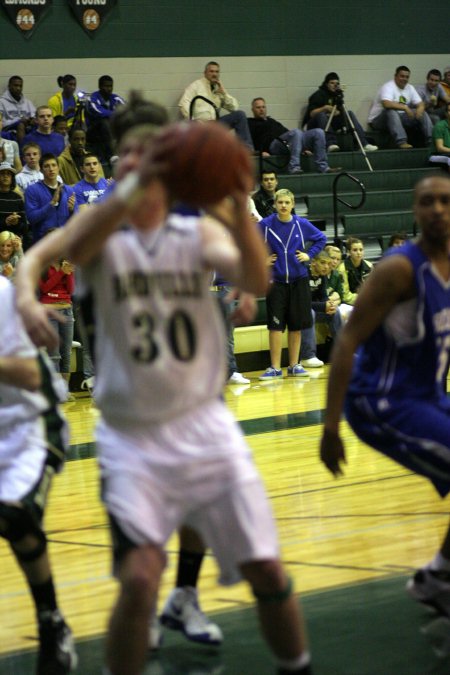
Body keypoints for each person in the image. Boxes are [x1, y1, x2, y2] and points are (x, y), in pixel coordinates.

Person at [16, 122, 313, 675]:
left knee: (268, 571)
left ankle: (291, 661)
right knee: (136, 582)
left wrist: (237, 200)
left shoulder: (194, 232)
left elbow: (255, 272)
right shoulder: (98, 231)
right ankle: (154, 615)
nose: (136, 168)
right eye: (126, 158)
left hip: (202, 422)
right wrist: (29, 299)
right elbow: (37, 256)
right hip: (131, 432)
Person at [319, 175, 450, 630]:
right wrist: (330, 426)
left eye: (445, 201)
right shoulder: (398, 269)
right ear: (414, 210)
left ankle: (437, 577)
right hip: (381, 400)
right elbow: (347, 341)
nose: (436, 209)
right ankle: (439, 579)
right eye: (426, 202)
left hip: (429, 396)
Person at [0, 274, 77, 673]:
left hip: (27, 426)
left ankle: (51, 622)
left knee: (13, 515)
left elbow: (30, 375)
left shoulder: (2, 295)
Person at [259, 188, 326, 380]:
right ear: (274, 204)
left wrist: (309, 255)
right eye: (280, 202)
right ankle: (274, 367)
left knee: (296, 325)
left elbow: (321, 238)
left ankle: (295, 365)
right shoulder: (265, 225)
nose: (283, 206)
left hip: (299, 280)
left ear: (293, 204)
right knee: (275, 326)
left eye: (287, 203)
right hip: (276, 282)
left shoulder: (301, 224)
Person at [248, 97, 340, 175]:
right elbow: (248, 143)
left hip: (286, 143)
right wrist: (259, 153)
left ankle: (323, 167)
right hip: (273, 146)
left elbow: (288, 133)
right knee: (296, 132)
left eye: (263, 107)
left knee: (319, 132)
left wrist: (304, 149)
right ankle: (294, 167)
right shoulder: (250, 123)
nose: (261, 109)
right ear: (252, 110)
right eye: (258, 107)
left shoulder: (272, 121)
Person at [178, 61, 254, 149]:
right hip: (201, 126)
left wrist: (224, 94)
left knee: (240, 115)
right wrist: (196, 122)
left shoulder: (219, 89)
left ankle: (246, 148)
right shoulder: (196, 86)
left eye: (217, 72)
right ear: (205, 73)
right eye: (211, 71)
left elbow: (234, 108)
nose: (214, 74)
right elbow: (183, 103)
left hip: (215, 124)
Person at [303, 72, 377, 153]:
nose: (334, 85)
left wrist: (336, 112)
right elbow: (311, 114)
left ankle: (363, 144)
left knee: (349, 113)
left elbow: (340, 112)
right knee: (321, 115)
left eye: (337, 83)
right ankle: (330, 143)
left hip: (330, 122)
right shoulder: (318, 95)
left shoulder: (337, 96)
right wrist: (325, 108)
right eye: (332, 83)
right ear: (326, 84)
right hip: (314, 124)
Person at [38, 252, 76, 402]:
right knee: (53, 354)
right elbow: (45, 288)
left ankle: (64, 390)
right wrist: (61, 273)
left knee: (66, 352)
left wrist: (69, 273)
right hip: (49, 311)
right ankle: (55, 391)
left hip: (67, 309)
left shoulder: (67, 264)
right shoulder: (42, 265)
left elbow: (71, 291)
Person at [368, 66, 433, 149]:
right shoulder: (388, 87)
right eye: (402, 76)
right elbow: (386, 104)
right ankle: (402, 142)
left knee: (423, 113)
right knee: (391, 111)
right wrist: (405, 108)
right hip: (378, 121)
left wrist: (420, 109)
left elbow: (420, 103)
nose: (404, 79)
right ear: (395, 76)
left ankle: (431, 142)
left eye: (407, 77)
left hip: (399, 118)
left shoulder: (410, 88)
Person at [299, 250, 342, 368]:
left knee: (336, 311)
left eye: (328, 264)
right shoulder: (303, 274)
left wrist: (329, 305)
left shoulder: (322, 277)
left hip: (310, 308)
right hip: (296, 311)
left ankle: (344, 352)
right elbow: (303, 303)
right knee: (310, 313)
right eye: (323, 263)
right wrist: (324, 306)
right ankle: (307, 356)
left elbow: (323, 297)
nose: (326, 267)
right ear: (313, 262)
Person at [25, 154, 77, 243]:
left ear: (58, 167)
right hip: (43, 241)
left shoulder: (68, 190)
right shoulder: (32, 190)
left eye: (54, 165)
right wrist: (51, 203)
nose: (51, 169)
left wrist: (72, 211)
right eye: (46, 166)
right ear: (40, 170)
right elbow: (32, 218)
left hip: (65, 240)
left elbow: (77, 220)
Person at [86, 75, 126, 163]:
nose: (109, 89)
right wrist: (115, 114)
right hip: (94, 130)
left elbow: (127, 110)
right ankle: (112, 154)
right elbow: (98, 112)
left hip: (110, 128)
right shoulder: (93, 98)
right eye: (106, 86)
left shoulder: (115, 98)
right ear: (100, 87)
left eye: (110, 86)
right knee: (104, 121)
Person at [337, 237, 373, 306]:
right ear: (349, 252)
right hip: (349, 304)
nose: (358, 253)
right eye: (355, 250)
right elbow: (345, 295)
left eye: (361, 250)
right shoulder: (342, 269)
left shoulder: (369, 265)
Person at [0, 75, 35, 141]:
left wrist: (32, 120)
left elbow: (34, 115)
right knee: (20, 125)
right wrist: (18, 121)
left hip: (26, 128)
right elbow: (2, 123)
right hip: (9, 130)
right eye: (15, 85)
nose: (18, 88)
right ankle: (23, 149)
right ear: (9, 86)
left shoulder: (27, 102)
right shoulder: (1, 102)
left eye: (20, 86)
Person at [0, 162, 28, 244]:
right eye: (2, 173)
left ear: (12, 178)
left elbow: (25, 228)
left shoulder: (18, 199)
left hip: (14, 243)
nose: (5, 176)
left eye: (8, 174)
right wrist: (5, 222)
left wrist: (16, 223)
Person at [429, 101, 450, 169]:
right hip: (436, 156)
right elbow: (440, 148)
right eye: (449, 110)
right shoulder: (440, 126)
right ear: (446, 113)